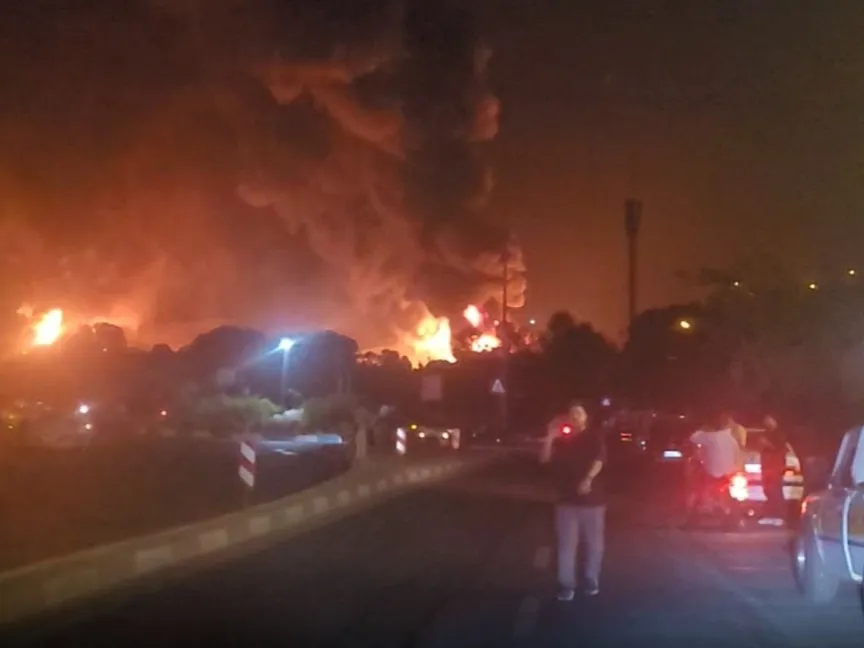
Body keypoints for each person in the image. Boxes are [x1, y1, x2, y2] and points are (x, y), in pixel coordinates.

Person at [540, 401, 606, 600]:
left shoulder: (594, 437)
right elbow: (544, 460)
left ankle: (591, 579)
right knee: (566, 545)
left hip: (592, 501)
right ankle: (566, 584)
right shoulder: (561, 440)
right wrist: (550, 437)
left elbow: (599, 460)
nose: (575, 416)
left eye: (579, 413)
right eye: (571, 413)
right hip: (566, 500)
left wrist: (588, 479)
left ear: (586, 417)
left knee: (594, 544)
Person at [686, 413, 742, 518]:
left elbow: (693, 437)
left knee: (697, 488)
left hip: (712, 475)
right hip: (729, 475)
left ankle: (697, 510)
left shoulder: (710, 437)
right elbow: (738, 457)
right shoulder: (732, 440)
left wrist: (703, 429)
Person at [758, 414, 787, 523]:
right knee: (768, 490)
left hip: (775, 466)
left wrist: (767, 443)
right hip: (768, 466)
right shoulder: (768, 433)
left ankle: (780, 514)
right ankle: (771, 513)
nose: (766, 423)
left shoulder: (778, 434)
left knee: (775, 490)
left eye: (768, 421)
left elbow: (779, 448)